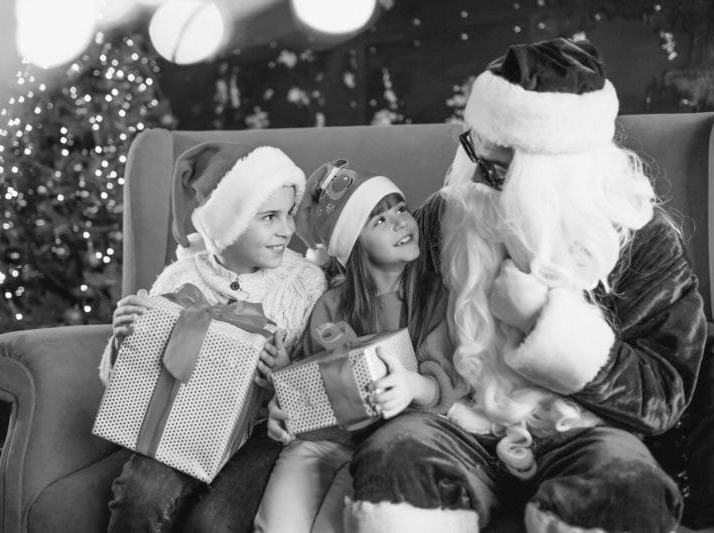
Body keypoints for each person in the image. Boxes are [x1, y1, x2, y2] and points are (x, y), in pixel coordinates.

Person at [347, 38, 707, 532]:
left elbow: (660, 394)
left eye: (497, 170)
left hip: (583, 431)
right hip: (460, 419)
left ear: (556, 172)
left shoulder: (637, 238)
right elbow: (368, 304)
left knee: (627, 488)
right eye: (473, 145)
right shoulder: (445, 216)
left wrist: (543, 321)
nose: (474, 173)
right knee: (393, 464)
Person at [97, 141, 327, 533]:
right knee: (141, 493)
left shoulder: (305, 283)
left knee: (215, 521)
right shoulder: (181, 277)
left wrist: (284, 374)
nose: (287, 229)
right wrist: (123, 338)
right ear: (228, 222)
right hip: (179, 423)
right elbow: (121, 378)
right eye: (268, 216)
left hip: (260, 434)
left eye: (289, 213)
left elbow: (316, 385)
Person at [254, 160, 467, 533]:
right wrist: (283, 384)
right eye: (379, 220)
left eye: (400, 208)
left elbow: (445, 381)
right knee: (278, 525)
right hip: (326, 439)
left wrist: (413, 386)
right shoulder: (332, 304)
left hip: (389, 445)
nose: (401, 222)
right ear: (353, 243)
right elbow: (309, 381)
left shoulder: (435, 294)